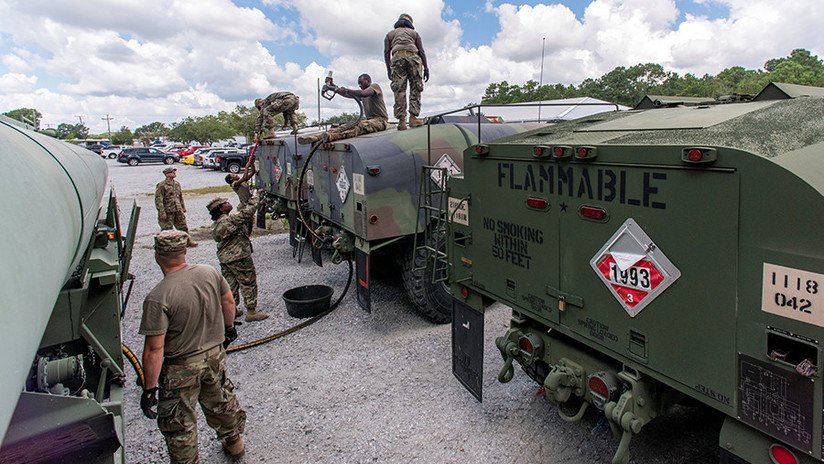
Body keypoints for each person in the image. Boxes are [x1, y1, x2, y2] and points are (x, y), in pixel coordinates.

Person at [139, 230, 247, 463]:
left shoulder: (158, 297)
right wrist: (229, 329)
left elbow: (154, 350)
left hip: (181, 368)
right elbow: (228, 301)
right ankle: (234, 443)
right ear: (184, 251)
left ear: (158, 256)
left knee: (180, 423)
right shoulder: (209, 272)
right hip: (215, 356)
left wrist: (149, 389)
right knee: (221, 402)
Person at [208, 190, 269, 322]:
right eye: (225, 203)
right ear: (221, 209)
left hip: (225, 258)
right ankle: (251, 312)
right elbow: (248, 212)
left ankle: (232, 310)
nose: (228, 203)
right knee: (248, 282)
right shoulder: (229, 220)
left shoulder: (218, 223)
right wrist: (256, 196)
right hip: (238, 256)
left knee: (231, 285)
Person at [297, 74, 388, 145]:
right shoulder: (362, 94)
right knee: (347, 125)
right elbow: (348, 94)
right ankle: (317, 137)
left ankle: (331, 136)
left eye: (362, 82)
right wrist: (334, 87)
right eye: (358, 84)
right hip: (370, 120)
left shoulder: (374, 87)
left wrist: (346, 90)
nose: (360, 85)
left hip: (380, 121)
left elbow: (362, 93)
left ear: (368, 81)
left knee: (358, 127)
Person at [384, 13, 429, 130]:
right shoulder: (414, 34)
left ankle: (402, 121)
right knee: (416, 87)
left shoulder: (390, 34)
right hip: (413, 57)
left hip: (397, 58)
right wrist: (426, 68)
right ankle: (413, 118)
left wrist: (389, 69)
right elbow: (422, 51)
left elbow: (386, 52)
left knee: (399, 89)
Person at [155, 167, 197, 247]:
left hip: (178, 209)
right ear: (167, 174)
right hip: (168, 210)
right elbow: (159, 199)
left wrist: (183, 207)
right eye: (172, 172)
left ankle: (187, 240)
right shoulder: (162, 185)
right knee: (167, 229)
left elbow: (180, 196)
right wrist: (162, 212)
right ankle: (166, 244)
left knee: (183, 226)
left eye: (174, 172)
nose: (174, 173)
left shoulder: (177, 184)